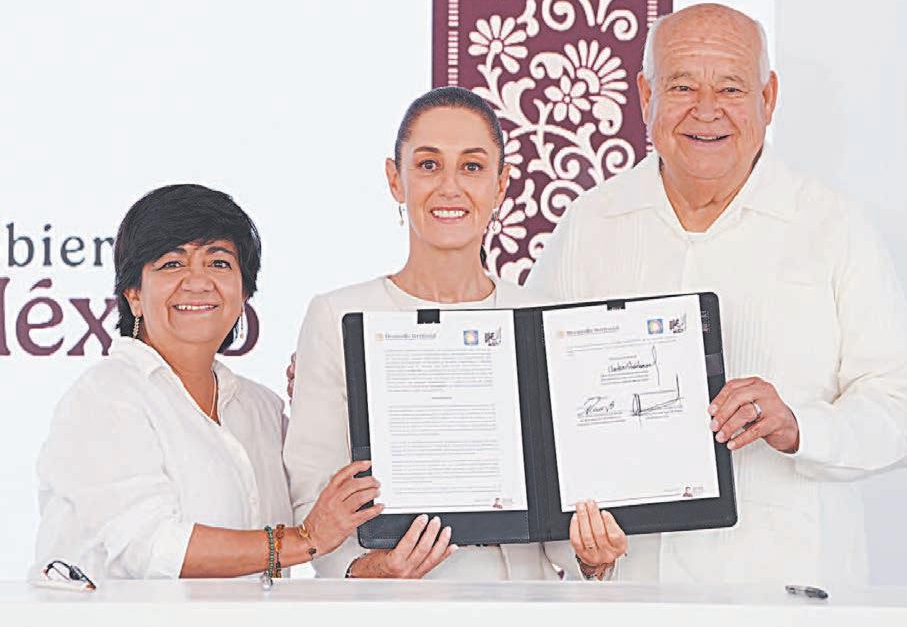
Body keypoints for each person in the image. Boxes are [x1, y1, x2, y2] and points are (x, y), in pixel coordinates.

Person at [526, 3, 907, 586]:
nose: (706, 109)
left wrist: (798, 426)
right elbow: (535, 407)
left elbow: (903, 403)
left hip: (790, 592)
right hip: (632, 593)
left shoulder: (832, 225)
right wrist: (583, 551)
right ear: (645, 96)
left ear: (768, 98)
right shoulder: (588, 225)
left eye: (731, 87)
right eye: (681, 86)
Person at [284, 87, 628, 580]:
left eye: (471, 167)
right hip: (397, 607)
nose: (450, 187)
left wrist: (592, 556)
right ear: (395, 179)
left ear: (501, 184)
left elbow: (563, 511)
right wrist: (369, 570)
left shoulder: (544, 319)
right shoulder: (337, 317)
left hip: (526, 604)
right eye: (428, 165)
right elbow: (312, 495)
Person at [34, 185, 380, 580]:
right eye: (171, 264)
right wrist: (304, 540)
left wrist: (332, 398)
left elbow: (326, 501)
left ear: (243, 291)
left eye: (218, 263)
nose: (198, 282)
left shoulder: (262, 410)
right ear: (133, 294)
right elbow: (154, 549)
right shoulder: (106, 397)